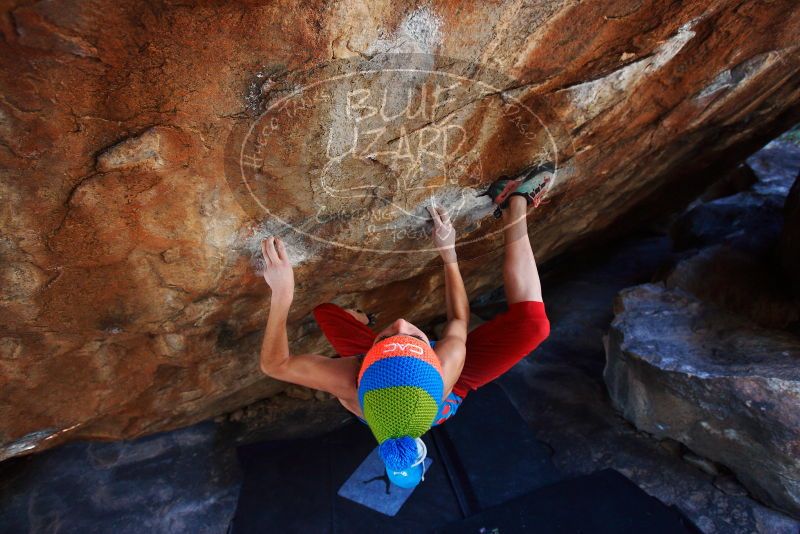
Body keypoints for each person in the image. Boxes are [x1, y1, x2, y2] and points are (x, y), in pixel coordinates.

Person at [258, 164, 552, 488]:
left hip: (377, 374)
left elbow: (276, 364)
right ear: (434, 353)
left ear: (366, 358)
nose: (400, 323)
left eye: (385, 336)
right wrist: (448, 254)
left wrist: (282, 293)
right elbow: (458, 319)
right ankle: (515, 204)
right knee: (534, 327)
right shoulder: (447, 367)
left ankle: (368, 330)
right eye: (414, 336)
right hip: (433, 384)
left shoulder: (349, 382)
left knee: (326, 312)